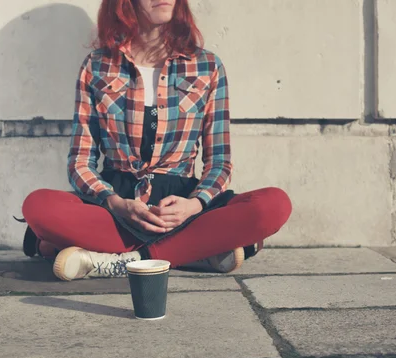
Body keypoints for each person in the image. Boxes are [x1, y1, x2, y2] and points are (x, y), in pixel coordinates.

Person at [21, 0, 292, 281]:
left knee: (274, 205)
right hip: (119, 209)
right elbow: (80, 162)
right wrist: (115, 203)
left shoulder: (207, 66)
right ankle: (196, 252)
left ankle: (121, 261)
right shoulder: (98, 66)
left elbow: (220, 162)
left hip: (184, 207)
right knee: (38, 206)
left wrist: (195, 205)